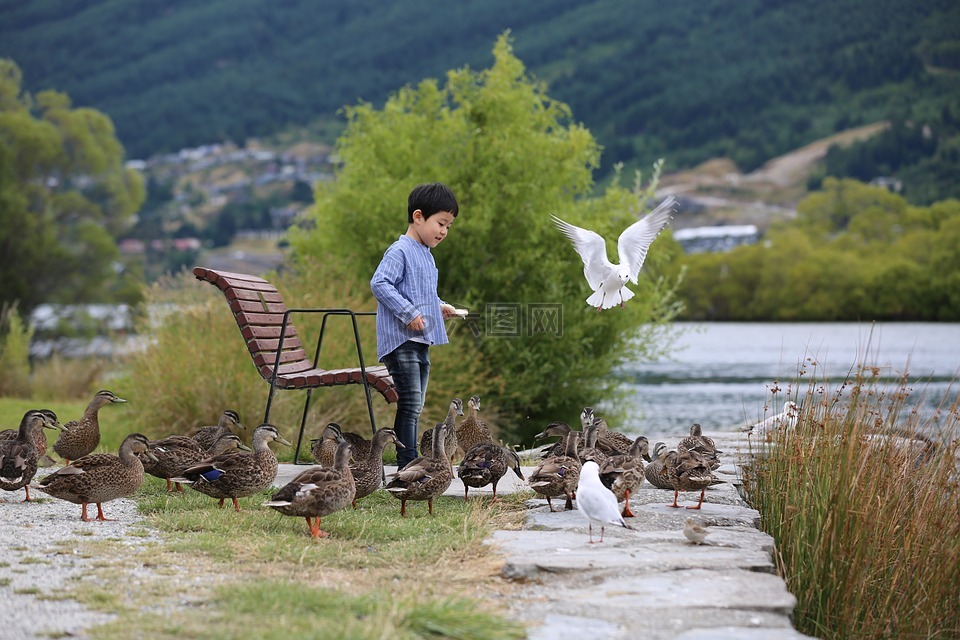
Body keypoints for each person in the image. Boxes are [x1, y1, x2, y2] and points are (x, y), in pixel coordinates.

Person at [371, 182, 461, 469]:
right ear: (419, 216)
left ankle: (408, 461)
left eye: (448, 226)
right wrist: (408, 313)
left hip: (421, 340)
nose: (444, 231)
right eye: (441, 223)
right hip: (400, 339)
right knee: (409, 403)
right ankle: (407, 463)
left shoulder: (426, 255)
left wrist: (440, 306)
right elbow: (380, 283)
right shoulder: (400, 250)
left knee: (416, 404)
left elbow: (424, 294)